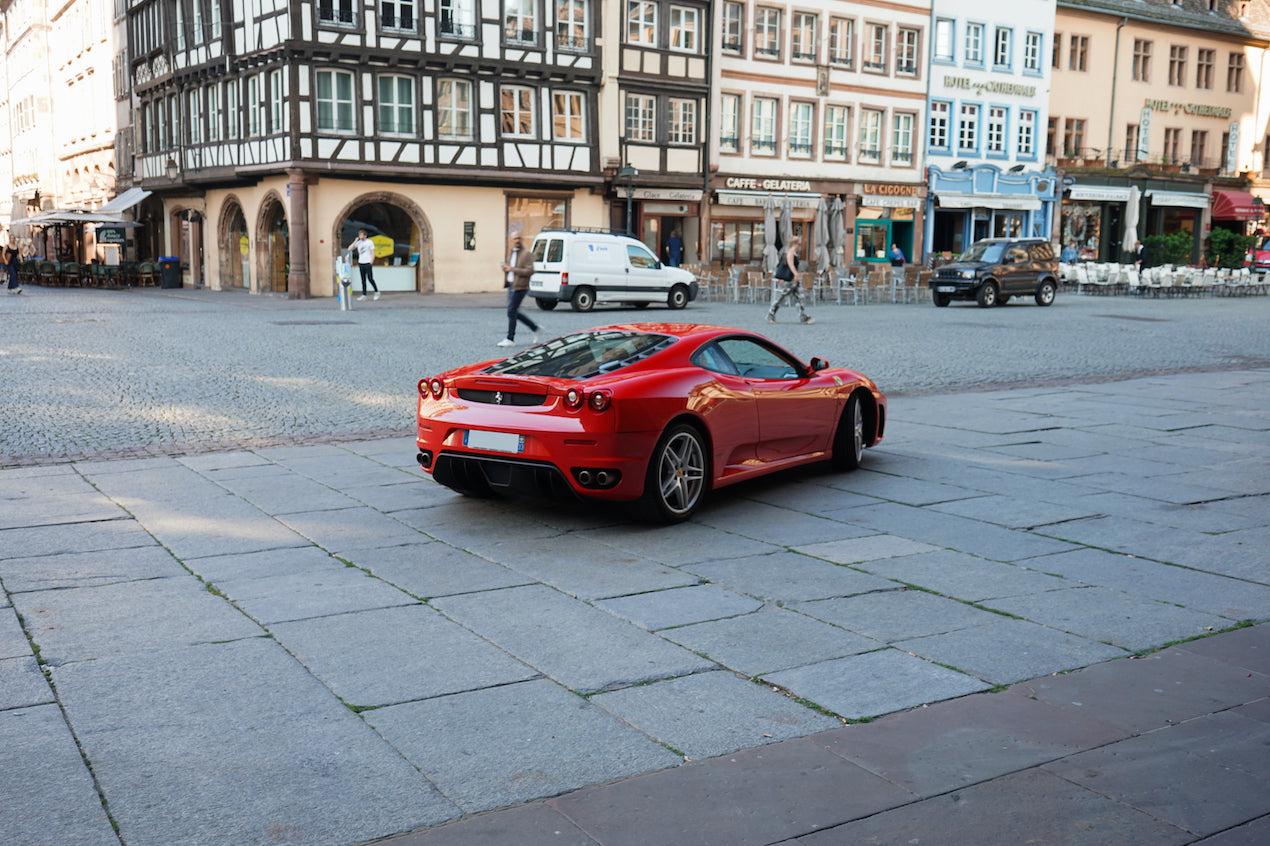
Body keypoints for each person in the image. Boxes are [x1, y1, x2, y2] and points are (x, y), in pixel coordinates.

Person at [498, 233, 539, 347]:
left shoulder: (526, 253)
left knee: (511, 311)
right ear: (511, 240)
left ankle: (510, 339)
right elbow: (511, 268)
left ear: (522, 239)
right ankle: (535, 328)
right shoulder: (512, 253)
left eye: (518, 238)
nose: (517, 240)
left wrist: (513, 269)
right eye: (514, 238)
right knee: (513, 311)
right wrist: (506, 269)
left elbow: (530, 271)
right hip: (512, 285)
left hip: (521, 286)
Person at [766, 236, 813, 325]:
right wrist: (796, 274)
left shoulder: (794, 252)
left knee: (800, 297)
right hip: (789, 280)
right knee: (781, 297)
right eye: (799, 244)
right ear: (794, 244)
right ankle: (771, 313)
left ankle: (803, 316)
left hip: (793, 280)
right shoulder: (790, 252)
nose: (800, 246)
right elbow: (790, 264)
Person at [349, 229, 379, 300]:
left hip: (367, 262)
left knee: (370, 278)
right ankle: (364, 294)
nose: (360, 236)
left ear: (365, 235)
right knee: (363, 279)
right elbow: (349, 249)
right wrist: (355, 241)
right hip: (361, 262)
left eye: (361, 235)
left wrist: (371, 262)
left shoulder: (369, 242)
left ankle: (377, 291)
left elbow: (373, 253)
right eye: (359, 235)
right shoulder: (358, 243)